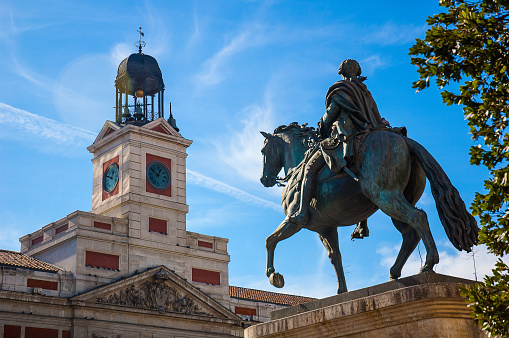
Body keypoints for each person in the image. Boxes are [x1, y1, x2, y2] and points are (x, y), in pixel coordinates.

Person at [287, 59, 384, 239]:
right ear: (357, 71)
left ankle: (301, 212)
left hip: (346, 136)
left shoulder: (341, 90)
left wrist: (322, 129)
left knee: (309, 168)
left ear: (342, 72)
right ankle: (362, 222)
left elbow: (330, 115)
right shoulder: (365, 91)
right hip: (369, 133)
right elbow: (376, 115)